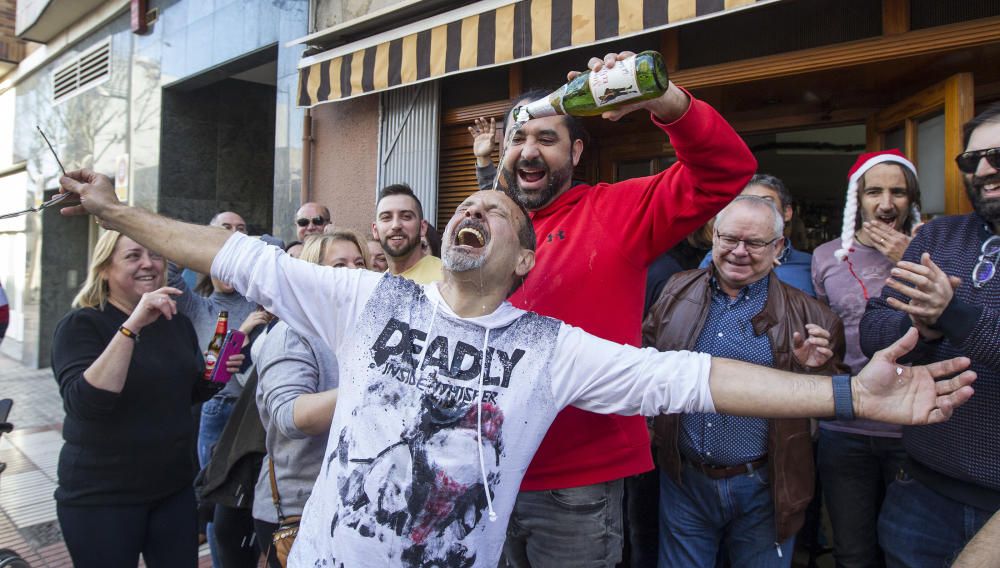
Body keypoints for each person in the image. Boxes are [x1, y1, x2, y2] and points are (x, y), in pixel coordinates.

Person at [58, 168, 974, 568]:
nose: (472, 211)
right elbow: (232, 257)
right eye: (466, 203)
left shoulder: (549, 349)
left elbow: (695, 380)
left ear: (526, 259)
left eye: (495, 212)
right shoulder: (369, 300)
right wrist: (116, 209)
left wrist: (851, 392)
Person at [470, 51, 756, 567]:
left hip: (575, 487)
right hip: (481, 476)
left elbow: (725, 170)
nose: (528, 150)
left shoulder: (613, 211)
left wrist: (662, 100)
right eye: (519, 138)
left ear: (577, 151)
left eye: (547, 138)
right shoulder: (483, 223)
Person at [645, 196, 847, 567]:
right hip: (684, 482)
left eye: (754, 243)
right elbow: (645, 368)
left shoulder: (813, 317)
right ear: (714, 236)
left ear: (778, 248)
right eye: (729, 239)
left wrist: (813, 371)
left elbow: (837, 408)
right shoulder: (675, 291)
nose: (739, 252)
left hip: (765, 488)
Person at [860, 104, 1000, 567]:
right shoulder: (938, 237)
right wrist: (922, 326)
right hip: (920, 493)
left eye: (996, 156)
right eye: (971, 160)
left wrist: (954, 313)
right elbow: (874, 329)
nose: (982, 170)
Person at [50, 230, 221, 567]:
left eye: (155, 255)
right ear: (104, 269)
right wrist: (133, 326)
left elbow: (183, 394)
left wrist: (215, 377)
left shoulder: (176, 323)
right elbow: (87, 404)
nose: (148, 264)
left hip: (171, 489)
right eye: (133, 256)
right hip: (102, 496)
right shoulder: (81, 325)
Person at [811, 150, 922, 568]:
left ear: (911, 199)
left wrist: (909, 254)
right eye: (874, 191)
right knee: (853, 553)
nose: (886, 203)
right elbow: (826, 335)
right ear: (857, 198)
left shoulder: (934, 248)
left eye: (898, 192)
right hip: (845, 427)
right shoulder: (826, 257)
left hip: (914, 430)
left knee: (909, 552)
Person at [252, 233, 364, 567]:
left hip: (349, 503)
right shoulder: (291, 334)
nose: (353, 272)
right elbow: (291, 416)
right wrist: (369, 387)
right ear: (311, 275)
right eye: (339, 265)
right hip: (299, 508)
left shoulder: (360, 329)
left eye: (359, 264)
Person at [169, 212, 258, 568]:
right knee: (221, 511)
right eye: (223, 233)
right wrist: (207, 239)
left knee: (250, 509)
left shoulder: (260, 299)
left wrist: (241, 245)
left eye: (240, 232)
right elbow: (169, 272)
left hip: (257, 417)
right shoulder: (199, 307)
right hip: (218, 414)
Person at [697, 174, 816, 296]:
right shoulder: (716, 259)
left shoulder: (811, 264)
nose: (756, 209)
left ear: (787, 212)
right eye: (746, 201)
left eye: (767, 201)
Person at [372, 183, 443, 283]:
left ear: (422, 227)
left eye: (406, 216)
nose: (396, 225)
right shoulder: (376, 285)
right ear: (375, 230)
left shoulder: (447, 279)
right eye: (386, 218)